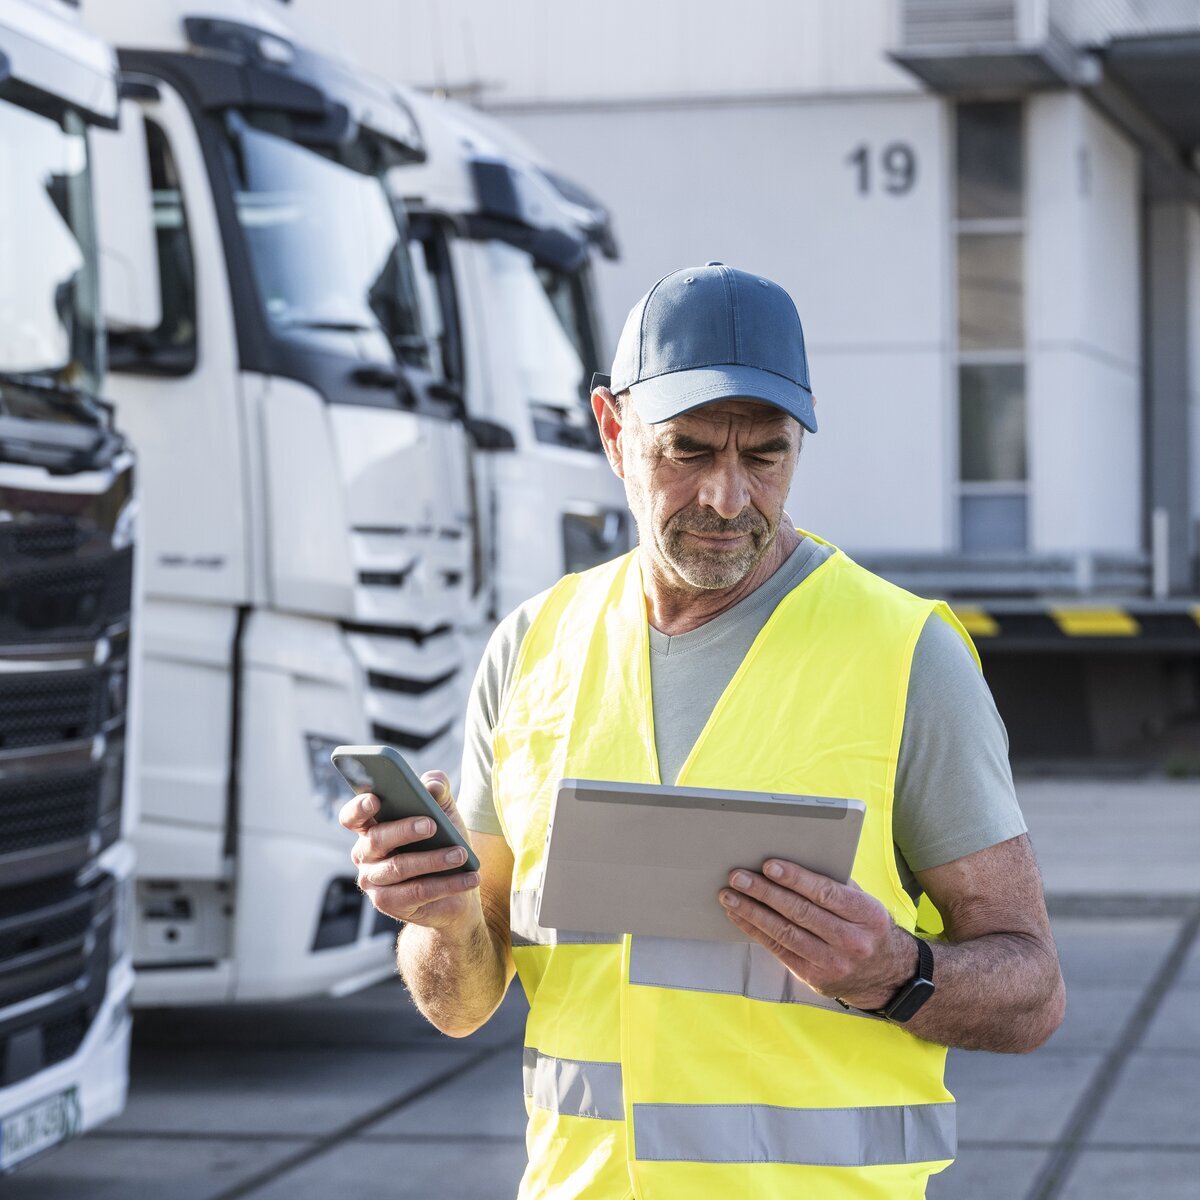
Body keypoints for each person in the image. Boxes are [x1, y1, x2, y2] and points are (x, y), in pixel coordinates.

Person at [341, 262, 1066, 1199]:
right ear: (612, 429)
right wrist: (439, 922)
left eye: (765, 455)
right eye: (687, 452)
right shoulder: (532, 647)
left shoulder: (906, 654)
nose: (728, 498)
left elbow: (1034, 992)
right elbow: (460, 1003)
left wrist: (896, 971)